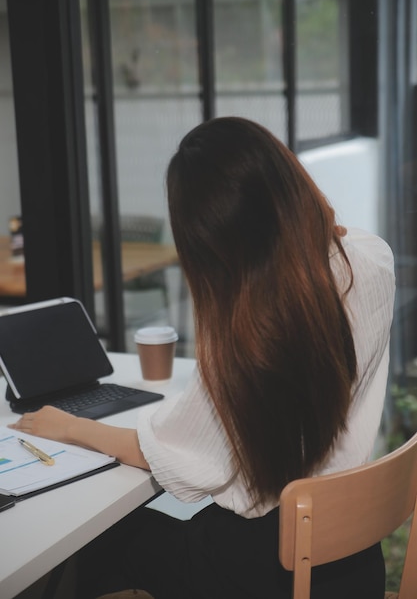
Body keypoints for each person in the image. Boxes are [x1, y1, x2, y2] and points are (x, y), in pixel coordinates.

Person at [9, 117, 395, 599]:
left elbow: (171, 459)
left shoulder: (250, 347)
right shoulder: (372, 261)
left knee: (97, 546)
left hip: (268, 573)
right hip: (352, 564)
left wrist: (68, 426)